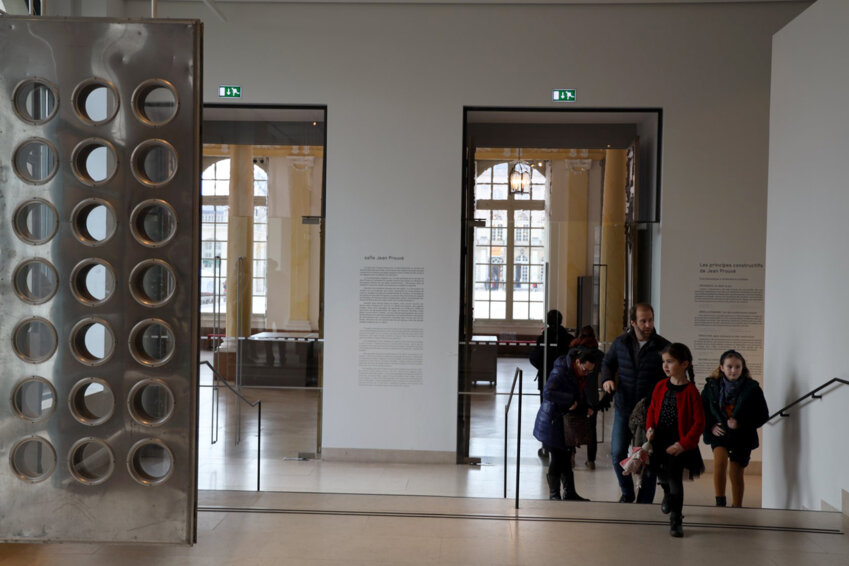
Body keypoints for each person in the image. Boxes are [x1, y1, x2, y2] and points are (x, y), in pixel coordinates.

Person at [600, 303, 670, 503]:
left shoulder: (663, 346)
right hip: (624, 407)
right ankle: (627, 492)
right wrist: (607, 379)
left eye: (650, 320)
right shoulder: (620, 343)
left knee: (646, 457)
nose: (648, 325)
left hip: (649, 412)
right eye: (643, 321)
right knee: (617, 453)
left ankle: (645, 500)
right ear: (633, 322)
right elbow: (607, 363)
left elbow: (671, 374)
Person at [646, 343, 705, 538]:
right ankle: (667, 495)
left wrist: (684, 444)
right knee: (662, 476)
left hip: (679, 444)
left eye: (670, 361)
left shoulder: (691, 391)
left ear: (684, 364)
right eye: (664, 361)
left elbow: (699, 422)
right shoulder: (660, 386)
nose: (665, 366)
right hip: (660, 440)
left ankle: (676, 519)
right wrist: (649, 428)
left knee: (674, 479)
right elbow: (652, 409)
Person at [701, 349, 769, 507]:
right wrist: (711, 426)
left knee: (736, 472)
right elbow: (701, 410)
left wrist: (740, 423)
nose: (733, 370)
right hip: (720, 433)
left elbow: (762, 415)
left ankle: (737, 507)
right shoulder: (711, 386)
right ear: (721, 367)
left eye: (737, 366)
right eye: (729, 366)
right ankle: (720, 502)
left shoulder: (753, 388)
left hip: (742, 436)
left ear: (742, 367)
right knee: (719, 463)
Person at [532, 348, 599, 501]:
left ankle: (569, 492)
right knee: (558, 456)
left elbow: (578, 393)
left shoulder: (576, 372)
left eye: (590, 371)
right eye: (585, 369)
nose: (586, 373)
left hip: (563, 420)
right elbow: (548, 392)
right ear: (577, 362)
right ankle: (554, 494)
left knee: (567, 455)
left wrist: (585, 406)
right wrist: (570, 401)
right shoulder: (561, 371)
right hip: (553, 420)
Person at [530, 310, 574, 457]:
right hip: (565, 382)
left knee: (547, 414)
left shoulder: (543, 338)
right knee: (566, 414)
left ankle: (546, 447)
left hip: (546, 381)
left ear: (548, 321)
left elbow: (534, 358)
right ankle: (569, 447)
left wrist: (544, 368)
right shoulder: (568, 338)